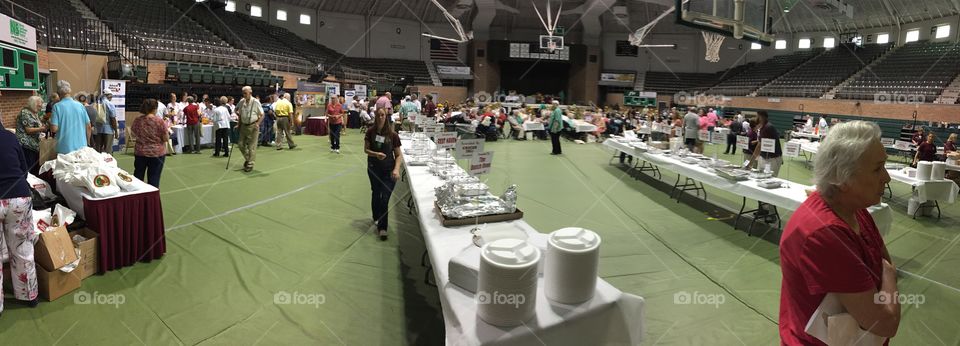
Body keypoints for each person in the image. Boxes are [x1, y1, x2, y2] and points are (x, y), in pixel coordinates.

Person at [779, 121, 899, 344]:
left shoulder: (856, 210)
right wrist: (890, 274)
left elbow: (881, 257)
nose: (887, 178)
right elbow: (885, 323)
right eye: (877, 168)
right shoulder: (825, 233)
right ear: (842, 178)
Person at [0, 129, 40, 315]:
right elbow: (24, 170)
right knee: (23, 249)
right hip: (19, 197)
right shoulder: (10, 137)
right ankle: (29, 296)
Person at [364, 108, 403, 241]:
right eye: (378, 115)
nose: (380, 117)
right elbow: (366, 150)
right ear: (375, 116)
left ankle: (382, 228)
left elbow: (398, 155)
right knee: (376, 193)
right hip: (373, 168)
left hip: (389, 171)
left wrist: (396, 169)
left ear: (386, 117)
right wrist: (376, 154)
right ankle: (376, 217)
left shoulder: (393, 135)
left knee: (384, 197)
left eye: (383, 115)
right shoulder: (370, 132)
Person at [130, 99, 168, 188]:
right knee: (154, 179)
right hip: (157, 153)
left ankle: (138, 199)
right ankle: (152, 200)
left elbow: (133, 134)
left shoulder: (138, 120)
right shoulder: (159, 121)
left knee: (138, 178)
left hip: (140, 153)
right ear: (155, 108)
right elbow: (165, 138)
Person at [49, 80, 92, 154]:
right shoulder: (80, 106)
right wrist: (88, 142)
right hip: (81, 148)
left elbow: (54, 129)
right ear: (70, 91)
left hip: (64, 148)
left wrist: (49, 123)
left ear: (58, 93)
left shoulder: (57, 107)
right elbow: (88, 126)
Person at [16, 96, 46, 176]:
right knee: (29, 166)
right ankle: (30, 183)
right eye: (39, 106)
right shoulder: (25, 113)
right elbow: (28, 130)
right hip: (26, 144)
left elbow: (36, 124)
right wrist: (42, 128)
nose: (40, 108)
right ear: (33, 104)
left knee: (34, 165)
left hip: (33, 144)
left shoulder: (34, 113)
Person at [236, 86, 264, 172]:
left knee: (252, 147)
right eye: (243, 93)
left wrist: (258, 124)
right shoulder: (241, 102)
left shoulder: (256, 102)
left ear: (250, 93)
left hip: (253, 126)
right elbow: (238, 113)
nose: (244, 95)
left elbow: (262, 114)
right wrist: (238, 124)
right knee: (240, 144)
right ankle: (248, 159)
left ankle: (250, 164)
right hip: (243, 126)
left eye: (246, 93)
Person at [750, 111, 783, 176]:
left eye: (757, 116)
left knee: (769, 179)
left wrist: (751, 162)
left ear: (761, 117)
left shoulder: (767, 127)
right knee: (760, 176)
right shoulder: (764, 128)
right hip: (765, 157)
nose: (756, 118)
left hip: (772, 159)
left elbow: (759, 146)